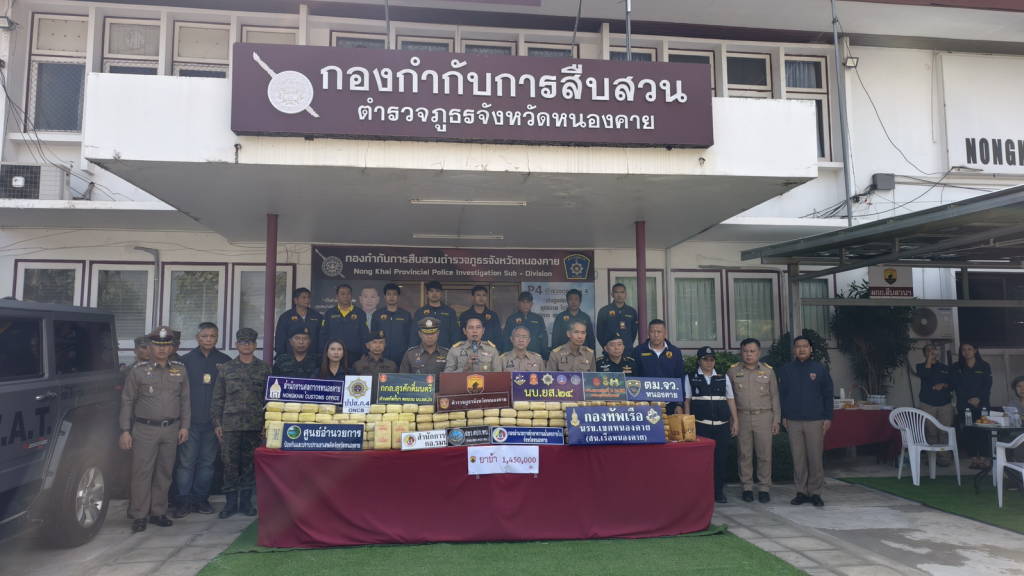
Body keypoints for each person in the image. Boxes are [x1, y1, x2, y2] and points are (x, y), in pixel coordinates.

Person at [119, 326, 191, 533]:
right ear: (150, 347)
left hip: (171, 428)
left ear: (172, 347)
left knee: (164, 472)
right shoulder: (138, 371)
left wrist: (185, 426)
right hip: (144, 429)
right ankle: (139, 514)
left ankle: (158, 512)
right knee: (141, 472)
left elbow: (185, 400)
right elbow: (127, 401)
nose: (162, 349)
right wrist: (125, 430)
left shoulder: (180, 369)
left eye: (166, 345)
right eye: (158, 345)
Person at [173, 322, 231, 518]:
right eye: (204, 336)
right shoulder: (185, 361)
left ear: (217, 338)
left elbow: (228, 393)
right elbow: (178, 393)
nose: (208, 339)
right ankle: (183, 501)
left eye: (212, 336)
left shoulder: (224, 361)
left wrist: (221, 422)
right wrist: (182, 422)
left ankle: (201, 499)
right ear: (197, 338)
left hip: (213, 423)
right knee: (186, 463)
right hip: (190, 422)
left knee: (207, 463)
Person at [211, 328, 271, 518]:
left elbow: (269, 400)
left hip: (254, 425)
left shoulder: (264, 369)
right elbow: (218, 398)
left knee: (249, 465)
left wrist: (266, 424)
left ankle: (245, 503)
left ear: (255, 345)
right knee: (229, 465)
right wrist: (217, 423)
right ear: (237, 345)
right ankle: (230, 504)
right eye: (243, 342)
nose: (246, 345)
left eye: (250, 342)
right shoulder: (226, 368)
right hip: (230, 425)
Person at [778, 336, 833, 507]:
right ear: (794, 350)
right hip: (793, 421)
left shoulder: (819, 369)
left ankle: (815, 493)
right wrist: (784, 416)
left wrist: (828, 417)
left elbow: (828, 395)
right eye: (798, 346)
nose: (801, 349)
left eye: (805, 346)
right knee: (798, 458)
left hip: (815, 420)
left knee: (815, 458)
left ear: (811, 349)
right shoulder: (786, 370)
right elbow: (782, 395)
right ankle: (801, 491)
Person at [728, 337, 780, 503]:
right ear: (741, 352)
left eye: (752, 351)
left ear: (759, 353)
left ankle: (764, 488)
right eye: (745, 351)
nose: (748, 354)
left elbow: (774, 396)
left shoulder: (768, 371)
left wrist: (776, 419)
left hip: (763, 417)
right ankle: (747, 487)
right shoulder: (733, 372)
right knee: (744, 454)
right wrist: (733, 420)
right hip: (742, 416)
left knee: (764, 455)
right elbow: (729, 398)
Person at [685, 346, 738, 504]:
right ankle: (702, 492)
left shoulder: (722, 377)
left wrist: (735, 420)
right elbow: (687, 401)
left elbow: (730, 399)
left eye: (711, 359)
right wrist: (688, 423)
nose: (709, 362)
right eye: (705, 359)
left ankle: (718, 492)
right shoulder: (690, 377)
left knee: (720, 460)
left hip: (721, 426)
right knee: (701, 461)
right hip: (701, 425)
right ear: (699, 361)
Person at [914, 344, 955, 467]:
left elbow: (953, 384)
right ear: (924, 354)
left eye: (934, 349)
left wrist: (944, 385)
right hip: (927, 403)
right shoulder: (920, 366)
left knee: (944, 431)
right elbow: (925, 374)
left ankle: (944, 458)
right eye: (928, 350)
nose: (932, 352)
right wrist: (929, 360)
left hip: (945, 404)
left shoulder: (945, 368)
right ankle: (931, 457)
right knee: (930, 431)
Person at [954, 342, 993, 469]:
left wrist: (978, 398)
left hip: (982, 404)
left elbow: (987, 385)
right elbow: (957, 386)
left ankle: (984, 458)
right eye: (963, 350)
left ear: (975, 350)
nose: (966, 352)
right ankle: (974, 459)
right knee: (969, 432)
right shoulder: (957, 367)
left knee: (983, 431)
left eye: (969, 349)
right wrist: (968, 399)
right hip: (964, 405)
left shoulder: (984, 365)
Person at [320, 283, 369, 364]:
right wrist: (324, 353)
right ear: (337, 296)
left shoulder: (360, 313)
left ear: (351, 296)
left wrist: (365, 353)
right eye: (342, 294)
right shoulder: (329, 313)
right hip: (334, 355)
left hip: (355, 356)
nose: (346, 296)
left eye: (348, 294)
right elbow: (323, 335)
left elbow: (365, 335)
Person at [370, 283, 412, 366]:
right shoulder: (377, 314)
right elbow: (372, 337)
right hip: (381, 357)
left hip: (401, 357)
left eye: (394, 294)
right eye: (389, 294)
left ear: (398, 297)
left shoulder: (406, 315)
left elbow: (410, 337)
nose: (391, 297)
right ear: (385, 296)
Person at [274, 287, 322, 357]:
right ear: (296, 300)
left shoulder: (317, 316)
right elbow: (280, 339)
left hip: (312, 357)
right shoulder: (285, 317)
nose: (307, 300)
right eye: (304, 297)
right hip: (290, 357)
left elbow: (321, 338)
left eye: (308, 297)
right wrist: (282, 357)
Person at [411, 281, 459, 350]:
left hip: (446, 352)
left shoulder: (450, 312)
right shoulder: (420, 312)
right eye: (431, 291)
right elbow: (414, 335)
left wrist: (455, 352)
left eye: (437, 291)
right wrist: (413, 352)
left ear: (441, 294)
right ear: (427, 294)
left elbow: (455, 334)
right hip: (424, 353)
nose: (434, 294)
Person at [501, 291, 549, 359]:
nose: (525, 305)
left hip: (535, 356)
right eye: (523, 302)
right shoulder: (511, 319)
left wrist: (545, 357)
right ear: (518, 303)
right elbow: (506, 340)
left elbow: (544, 339)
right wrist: (506, 357)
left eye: (528, 302)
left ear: (531, 304)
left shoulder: (538, 319)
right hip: (515, 357)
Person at [597, 283, 639, 357]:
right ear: (612, 294)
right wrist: (607, 348)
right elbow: (600, 333)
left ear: (626, 294)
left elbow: (634, 333)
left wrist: (626, 345)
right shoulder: (604, 311)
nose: (619, 295)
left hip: (627, 352)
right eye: (616, 292)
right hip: (609, 352)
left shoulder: (631, 311)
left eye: (622, 292)